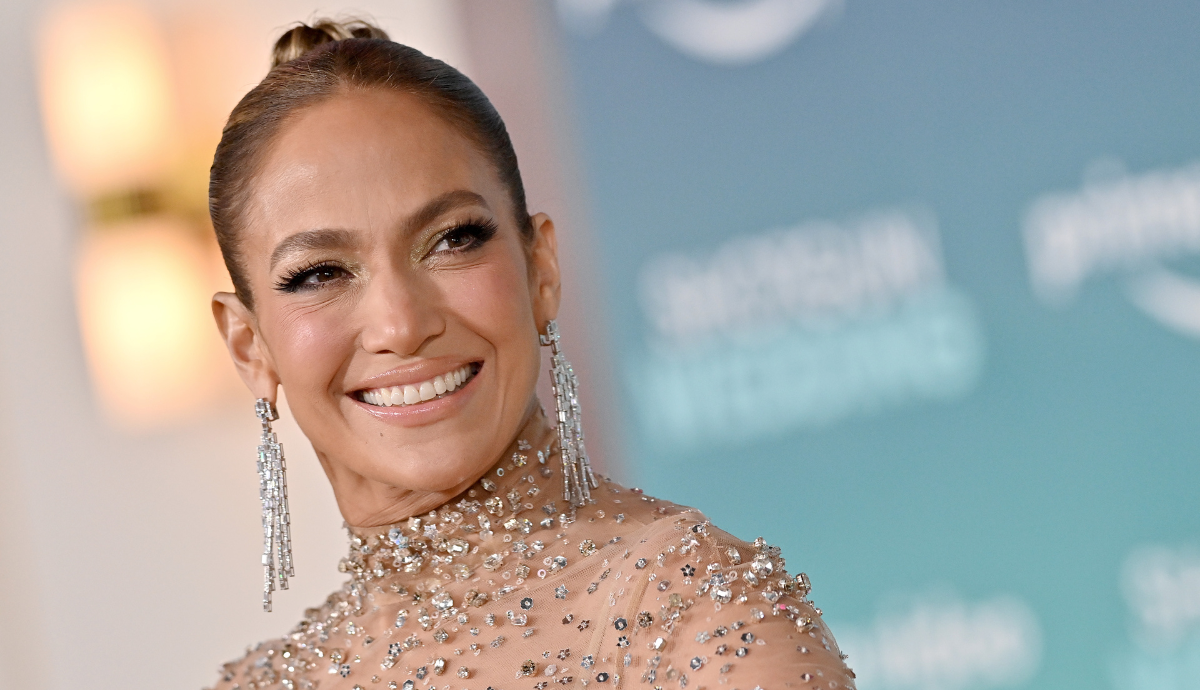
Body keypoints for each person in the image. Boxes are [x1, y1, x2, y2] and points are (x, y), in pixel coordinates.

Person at [205, 18, 855, 690]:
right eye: (319, 274)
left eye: (451, 240)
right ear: (250, 348)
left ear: (540, 269)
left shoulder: (706, 621)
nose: (401, 324)